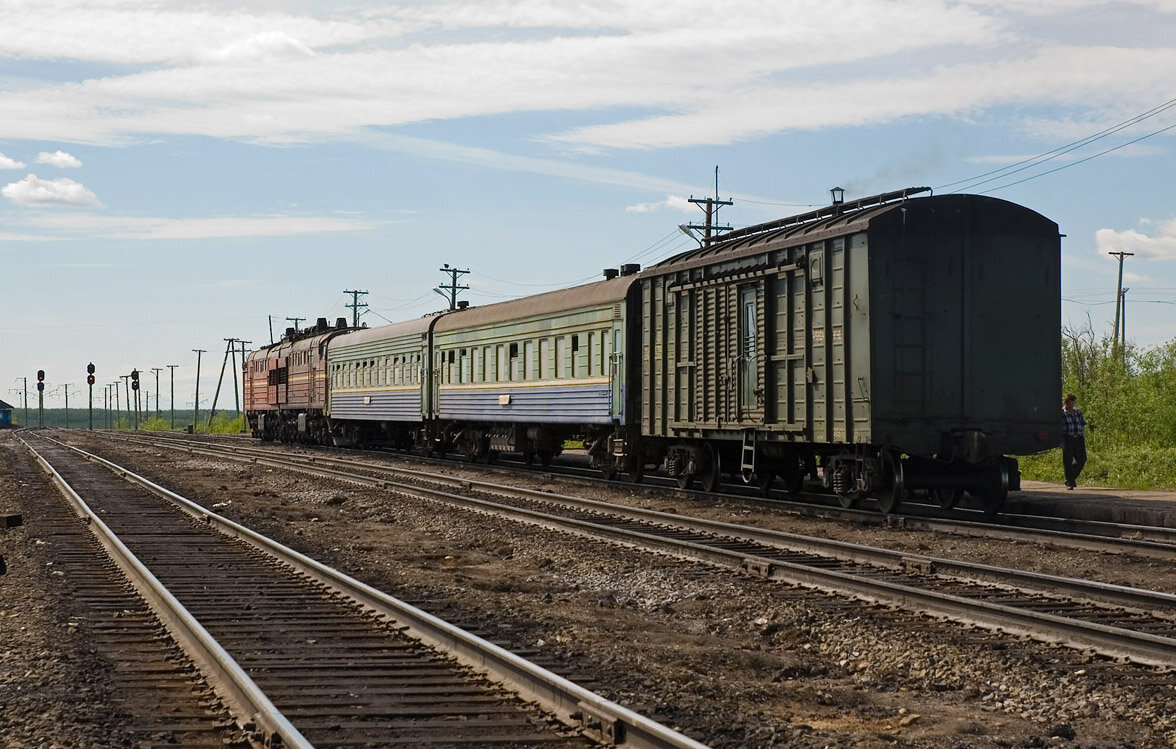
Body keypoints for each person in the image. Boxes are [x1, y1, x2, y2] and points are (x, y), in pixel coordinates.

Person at [1062, 393, 1087, 489]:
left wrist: (1083, 436)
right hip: (1068, 438)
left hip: (1079, 438)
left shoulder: (1078, 412)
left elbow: (1082, 424)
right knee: (1068, 461)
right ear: (1066, 402)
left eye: (1072, 402)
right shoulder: (1062, 413)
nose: (1071, 405)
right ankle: (1071, 482)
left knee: (1082, 459)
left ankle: (1070, 478)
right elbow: (1059, 427)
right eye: (1069, 402)